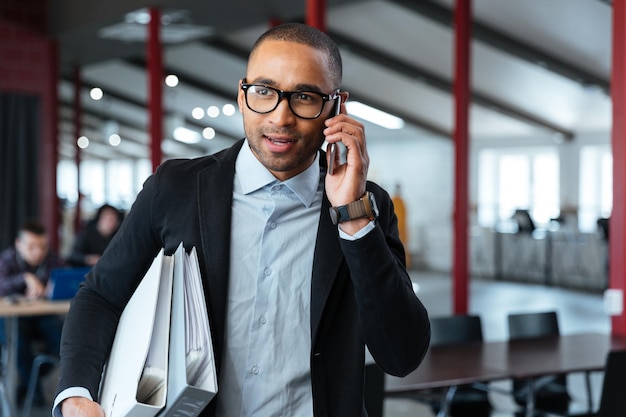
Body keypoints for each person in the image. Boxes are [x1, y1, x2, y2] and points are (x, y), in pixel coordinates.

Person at [54, 22, 430, 417]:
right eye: (264, 91)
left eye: (304, 96)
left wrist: (353, 217)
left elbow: (401, 355)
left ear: (335, 107)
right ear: (242, 95)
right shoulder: (177, 188)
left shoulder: (367, 206)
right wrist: (77, 394)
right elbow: (101, 296)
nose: (281, 118)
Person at [0, 221, 65, 404]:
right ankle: (34, 393)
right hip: (14, 319)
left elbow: (65, 280)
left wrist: (49, 289)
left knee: (63, 338)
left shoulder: (52, 259)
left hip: (42, 316)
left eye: (42, 246)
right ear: (18, 244)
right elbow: (1, 284)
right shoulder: (7, 259)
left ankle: (30, 379)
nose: (38, 252)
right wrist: (25, 277)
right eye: (31, 247)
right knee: (18, 342)